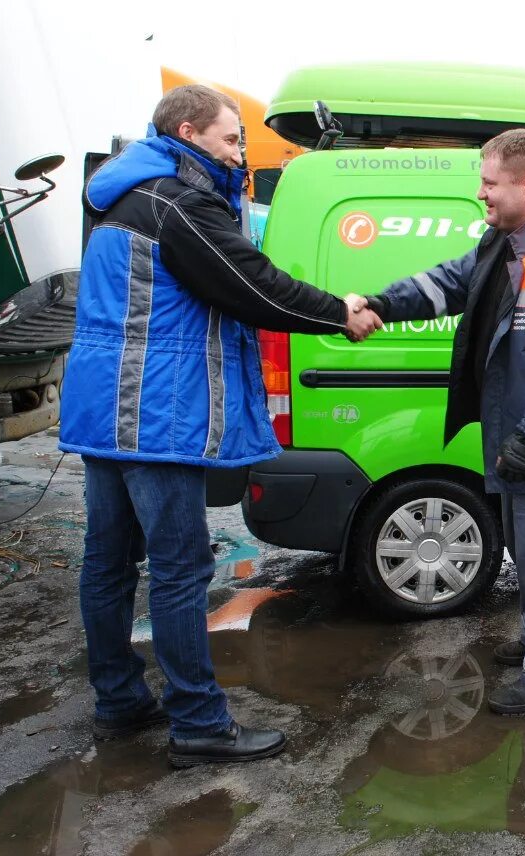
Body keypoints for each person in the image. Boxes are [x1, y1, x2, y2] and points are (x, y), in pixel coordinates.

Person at [60, 84, 381, 767]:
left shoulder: (121, 195)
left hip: (105, 408)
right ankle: (199, 723)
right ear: (188, 131)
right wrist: (340, 312)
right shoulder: (179, 202)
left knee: (110, 562)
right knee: (181, 570)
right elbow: (255, 286)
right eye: (232, 139)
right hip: (160, 412)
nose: (241, 151)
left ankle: (118, 700)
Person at [349, 128, 525, 714]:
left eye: (489, 183)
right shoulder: (504, 245)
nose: (481, 193)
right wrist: (382, 304)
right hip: (519, 444)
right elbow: (446, 283)